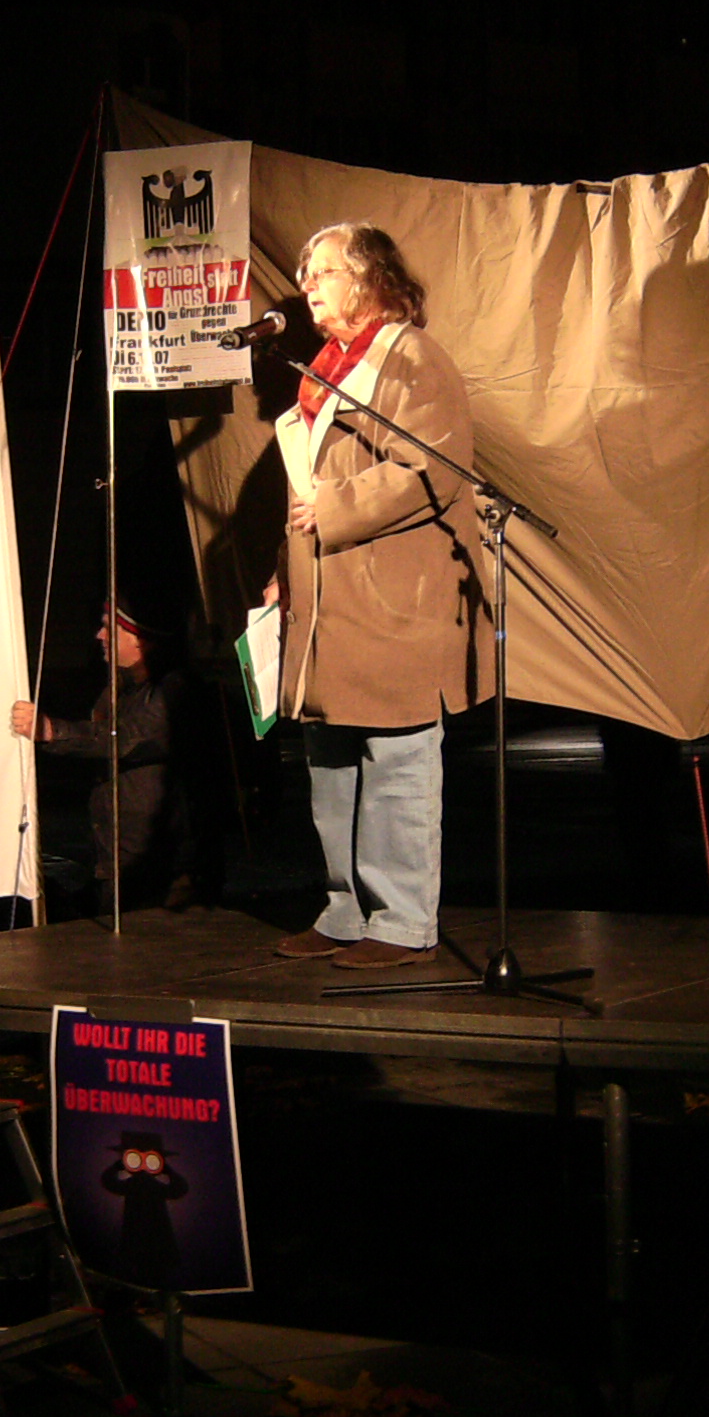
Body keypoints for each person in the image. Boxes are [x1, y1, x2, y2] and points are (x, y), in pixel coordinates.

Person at [261, 222, 485, 968]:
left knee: (397, 757)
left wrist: (336, 509)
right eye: (306, 274)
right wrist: (285, 568)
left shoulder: (411, 357)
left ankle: (402, 920)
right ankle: (344, 909)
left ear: (369, 278)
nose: (307, 286)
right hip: (327, 600)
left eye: (323, 271)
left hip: (394, 594)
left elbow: (431, 466)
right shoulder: (323, 369)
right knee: (329, 760)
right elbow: (306, 484)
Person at [9, 598, 194, 912]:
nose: (99, 635)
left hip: (156, 870)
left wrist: (51, 730)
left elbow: (126, 738)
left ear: (140, 640)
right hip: (120, 861)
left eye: (110, 628)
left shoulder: (173, 689)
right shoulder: (120, 686)